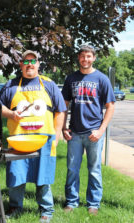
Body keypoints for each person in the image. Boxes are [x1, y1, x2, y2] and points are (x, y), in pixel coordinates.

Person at [0, 50, 66, 222]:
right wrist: (12, 115)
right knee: (16, 175)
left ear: (38, 64)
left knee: (43, 176)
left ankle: (46, 210)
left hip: (44, 139)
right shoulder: (11, 85)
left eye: (33, 61)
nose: (29, 64)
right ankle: (15, 207)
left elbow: (61, 111)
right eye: (26, 61)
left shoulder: (49, 84)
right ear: (21, 64)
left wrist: (56, 137)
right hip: (19, 139)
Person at [61, 45, 115, 215]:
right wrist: (63, 127)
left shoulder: (102, 79)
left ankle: (93, 203)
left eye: (89, 56)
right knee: (72, 169)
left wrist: (101, 131)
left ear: (94, 58)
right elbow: (64, 105)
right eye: (83, 56)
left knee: (94, 170)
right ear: (79, 58)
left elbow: (110, 106)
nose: (86, 59)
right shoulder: (71, 79)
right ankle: (71, 201)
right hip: (75, 132)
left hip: (94, 133)